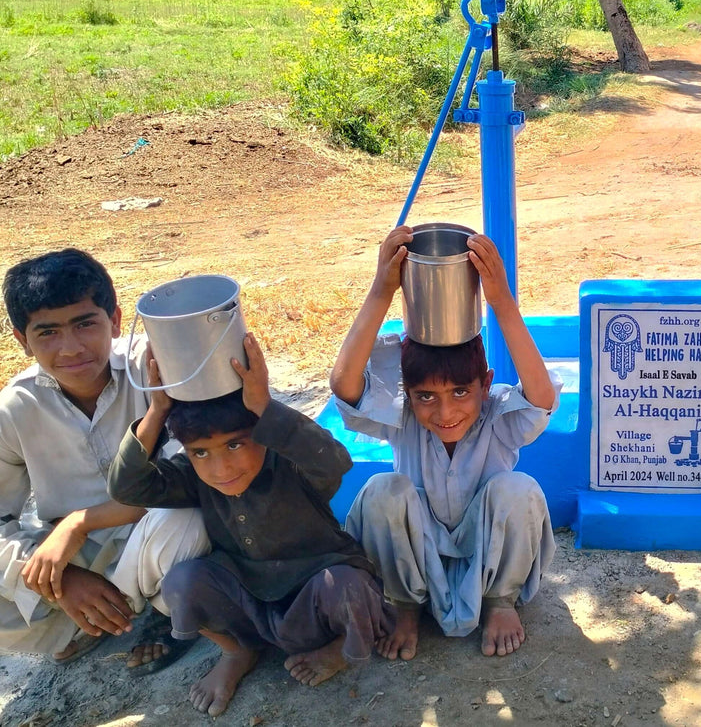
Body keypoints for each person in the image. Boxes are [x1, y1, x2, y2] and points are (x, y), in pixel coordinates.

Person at [108, 333, 393, 717]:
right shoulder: (194, 477)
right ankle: (237, 651)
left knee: (349, 586)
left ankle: (339, 649)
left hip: (312, 598)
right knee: (183, 581)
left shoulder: (291, 464)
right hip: (248, 603)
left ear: (262, 432)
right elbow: (128, 486)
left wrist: (263, 404)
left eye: (235, 445)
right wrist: (158, 410)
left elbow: (335, 461)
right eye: (200, 452)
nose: (220, 468)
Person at [331, 227, 559, 661]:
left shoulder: (497, 415)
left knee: (520, 489)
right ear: (407, 394)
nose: (445, 412)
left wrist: (502, 303)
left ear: (485, 384)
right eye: (426, 397)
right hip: (415, 556)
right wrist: (382, 291)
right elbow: (345, 384)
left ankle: (500, 600)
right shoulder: (400, 416)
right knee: (382, 491)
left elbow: (542, 398)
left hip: (485, 553)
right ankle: (404, 607)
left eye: (460, 392)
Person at [0, 248, 209, 670]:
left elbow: (192, 481)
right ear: (23, 341)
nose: (71, 348)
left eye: (85, 324)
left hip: (157, 535)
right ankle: (91, 617)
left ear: (114, 320)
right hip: (80, 559)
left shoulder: (155, 368)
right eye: (48, 333)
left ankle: (164, 616)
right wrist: (61, 582)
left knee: (187, 522)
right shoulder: (15, 408)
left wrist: (80, 522)